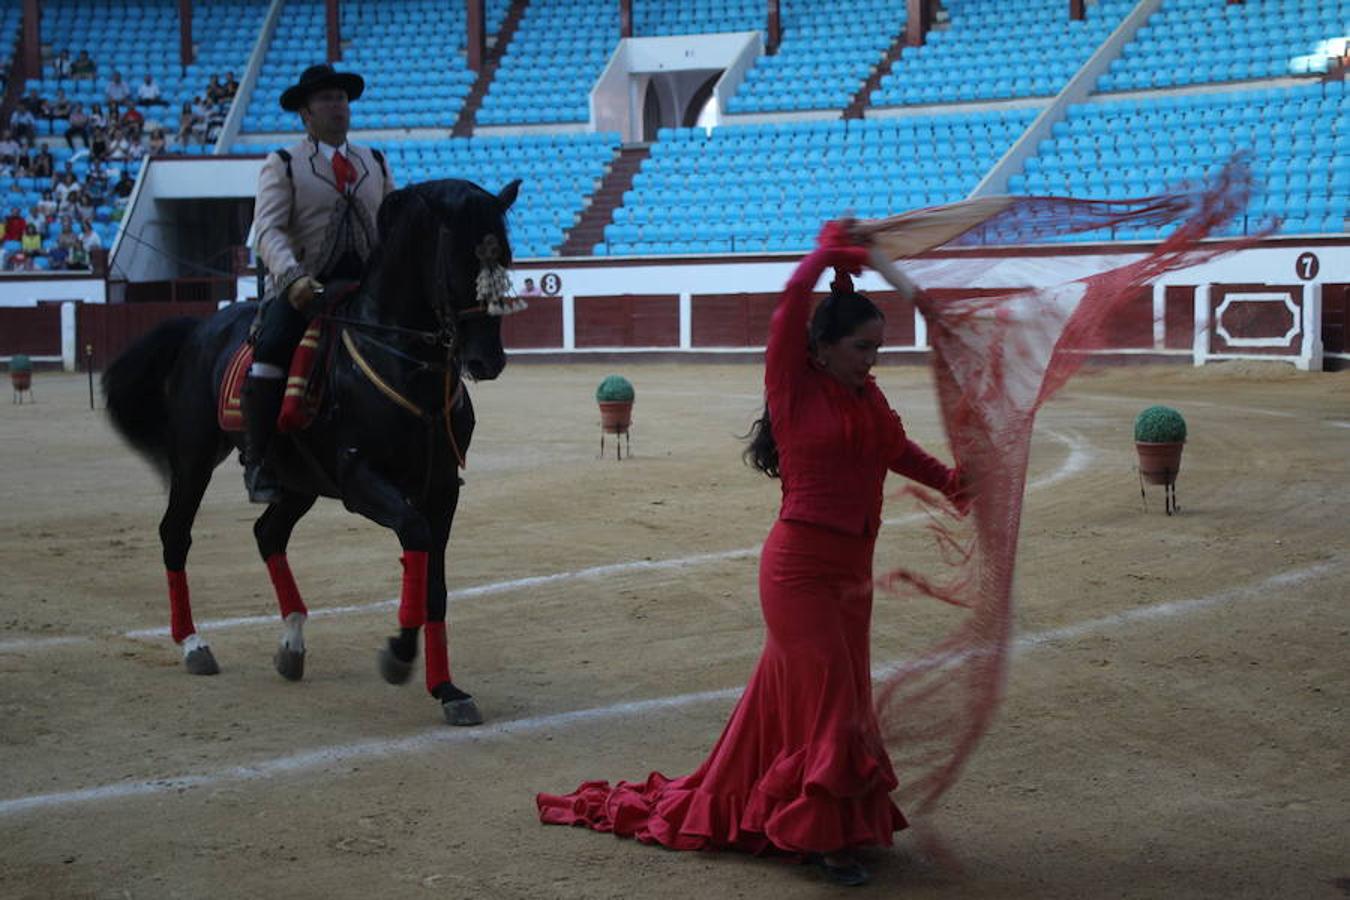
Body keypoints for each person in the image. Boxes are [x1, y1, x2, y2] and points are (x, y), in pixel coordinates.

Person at [536, 222, 966, 887]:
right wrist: (824, 254)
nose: (872, 360)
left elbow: (898, 453)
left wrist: (954, 484)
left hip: (852, 577)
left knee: (825, 699)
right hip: (797, 574)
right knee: (829, 701)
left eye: (878, 349)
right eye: (861, 348)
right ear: (820, 348)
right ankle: (819, 840)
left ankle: (786, 813)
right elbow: (791, 300)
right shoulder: (792, 384)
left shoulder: (867, 397)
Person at [244, 62, 395, 504]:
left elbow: (392, 222)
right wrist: (291, 278)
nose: (337, 106)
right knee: (271, 348)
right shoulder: (284, 164)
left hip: (365, 290)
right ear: (306, 114)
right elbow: (268, 230)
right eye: (326, 99)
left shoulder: (375, 161)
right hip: (306, 291)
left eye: (342, 98)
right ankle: (260, 460)